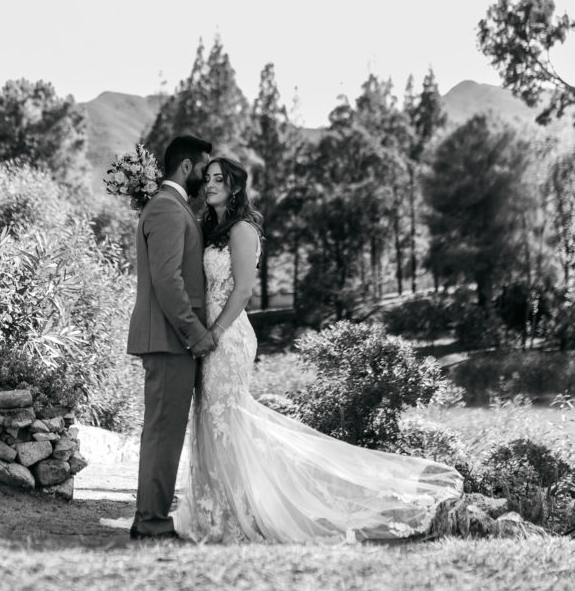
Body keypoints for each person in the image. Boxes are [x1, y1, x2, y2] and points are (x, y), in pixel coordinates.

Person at [173, 156, 464, 544]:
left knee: (226, 422)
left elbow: (242, 290)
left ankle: (241, 513)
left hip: (227, 336)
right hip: (208, 334)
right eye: (206, 179)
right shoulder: (212, 229)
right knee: (213, 422)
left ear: (235, 187)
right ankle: (217, 510)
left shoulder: (242, 230)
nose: (209, 185)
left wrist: (213, 332)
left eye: (218, 180)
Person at [127, 134, 216, 540]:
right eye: (204, 167)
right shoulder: (166, 208)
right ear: (186, 167)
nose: (207, 176)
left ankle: (151, 516)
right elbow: (168, 280)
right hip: (169, 339)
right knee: (163, 432)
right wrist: (194, 332)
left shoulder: (173, 206)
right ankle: (150, 521)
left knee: (165, 431)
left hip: (171, 340)